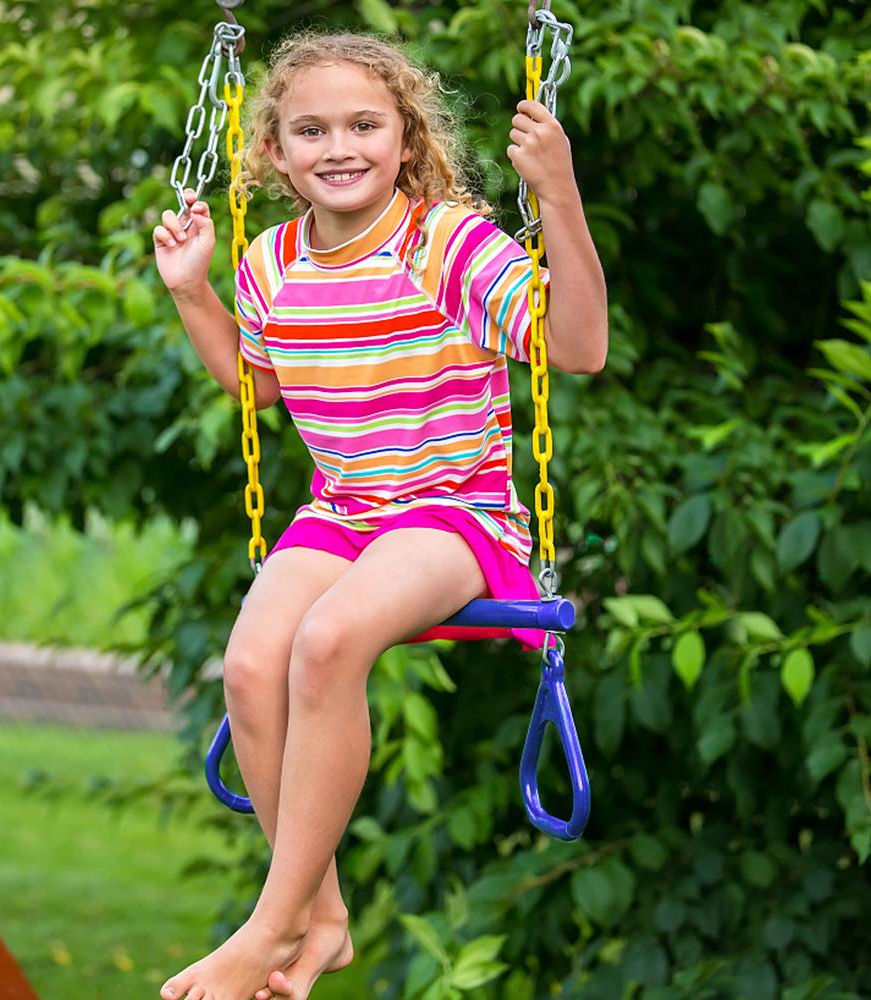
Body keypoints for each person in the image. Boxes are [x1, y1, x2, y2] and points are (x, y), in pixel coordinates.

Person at [152, 28, 607, 1000]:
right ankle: (320, 918)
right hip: (345, 509)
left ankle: (265, 930)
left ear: (406, 138)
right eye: (310, 129)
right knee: (246, 662)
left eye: (364, 123)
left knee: (328, 642)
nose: (339, 146)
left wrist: (557, 194)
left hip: (456, 515)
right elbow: (251, 383)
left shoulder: (441, 241)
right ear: (273, 152)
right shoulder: (273, 262)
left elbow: (578, 347)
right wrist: (193, 291)